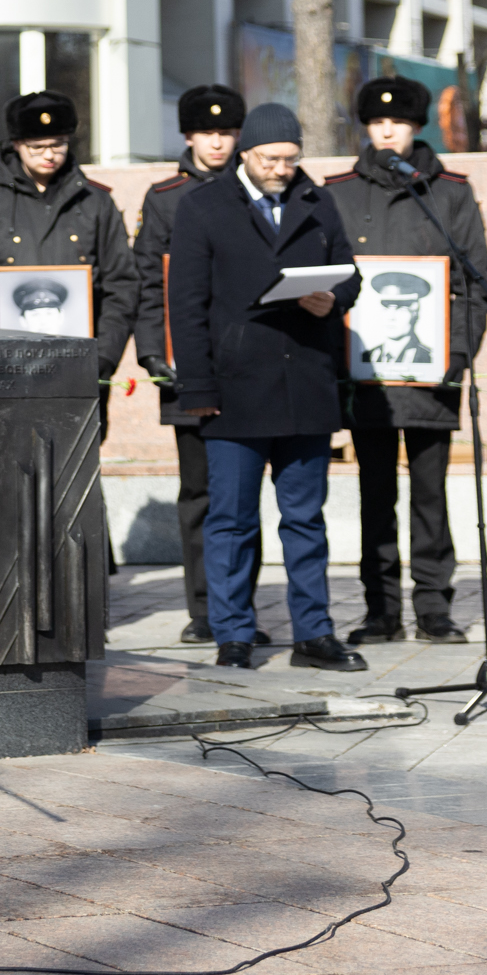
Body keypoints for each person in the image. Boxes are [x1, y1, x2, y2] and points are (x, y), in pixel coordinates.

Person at [165, 102, 367, 673]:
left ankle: (314, 633)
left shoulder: (317, 201)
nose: (282, 168)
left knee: (306, 519)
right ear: (246, 154)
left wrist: (336, 298)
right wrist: (198, 389)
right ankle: (233, 633)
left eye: (291, 158)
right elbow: (187, 306)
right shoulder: (202, 208)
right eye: (272, 159)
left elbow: (349, 270)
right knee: (231, 519)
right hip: (234, 389)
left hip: (304, 383)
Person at [322, 76, 486, 647]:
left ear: (418, 127)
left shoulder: (451, 191)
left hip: (431, 374)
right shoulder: (335, 193)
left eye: (399, 122)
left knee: (431, 494)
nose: (388, 129)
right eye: (376, 122)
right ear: (366, 127)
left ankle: (435, 607)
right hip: (365, 377)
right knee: (375, 493)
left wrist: (457, 355)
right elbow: (325, 276)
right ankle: (380, 609)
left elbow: (472, 285)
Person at [133, 84, 263, 643]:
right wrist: (152, 352)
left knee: (245, 494)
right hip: (186, 365)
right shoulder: (164, 198)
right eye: (207, 131)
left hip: (247, 366)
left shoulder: (255, 188)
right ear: (188, 135)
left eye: (227, 132)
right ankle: (205, 608)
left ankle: (243, 608)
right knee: (199, 492)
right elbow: (147, 282)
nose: (217, 141)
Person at [0, 91, 137, 415]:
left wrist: (103, 357)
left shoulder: (96, 203)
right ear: (17, 146)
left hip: (81, 367)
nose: (49, 155)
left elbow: (121, 284)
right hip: (4, 370)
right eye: (37, 147)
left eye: (58, 144)